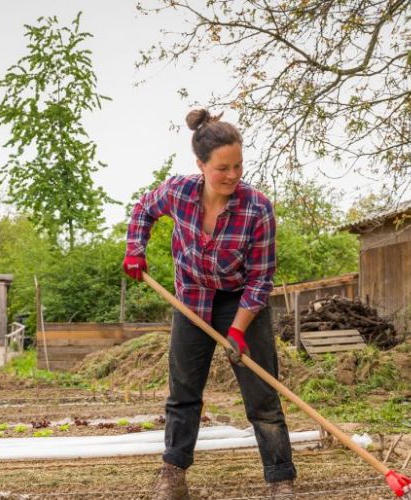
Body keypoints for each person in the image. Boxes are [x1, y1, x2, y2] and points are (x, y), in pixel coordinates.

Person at [124, 109, 296, 500]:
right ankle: (173, 474)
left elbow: (261, 278)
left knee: (262, 393)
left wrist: (237, 330)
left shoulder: (257, 208)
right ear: (200, 165)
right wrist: (135, 251)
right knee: (184, 391)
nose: (233, 175)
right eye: (222, 168)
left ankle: (280, 479)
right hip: (192, 300)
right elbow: (143, 210)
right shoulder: (177, 192)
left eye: (238, 165)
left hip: (241, 301)